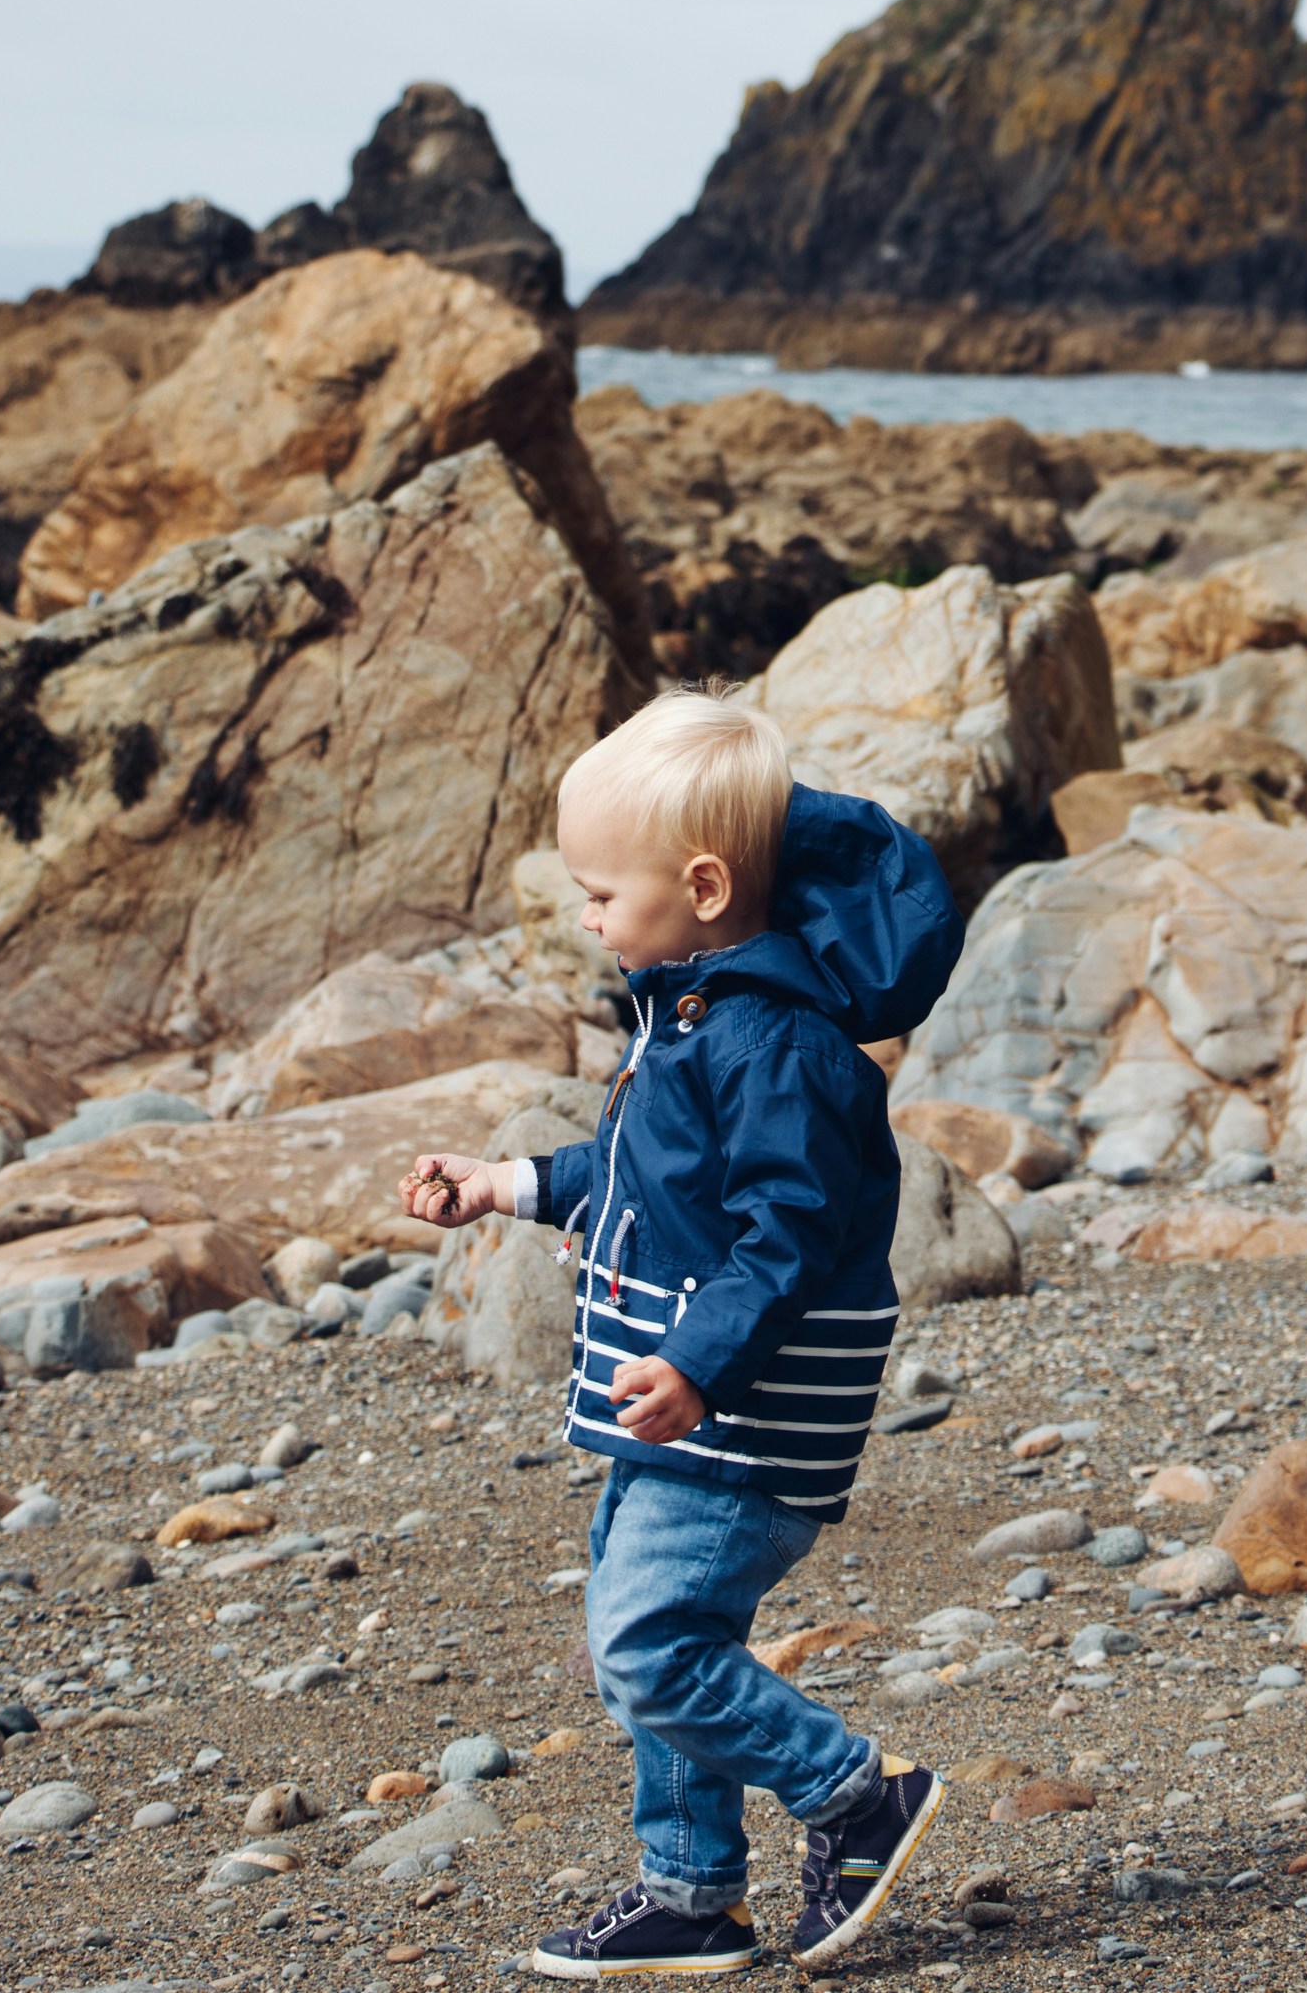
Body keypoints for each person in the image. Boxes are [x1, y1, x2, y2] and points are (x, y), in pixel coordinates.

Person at [400, 686, 966, 1978]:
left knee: (651, 1645)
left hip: (743, 1418)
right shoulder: (693, 1015)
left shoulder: (774, 1044)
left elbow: (792, 1231)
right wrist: (502, 1185)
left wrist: (703, 1365)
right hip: (680, 1410)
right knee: (646, 1638)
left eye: (604, 893)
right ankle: (692, 1892)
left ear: (704, 884)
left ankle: (854, 1796)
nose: (590, 919)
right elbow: (636, 1172)